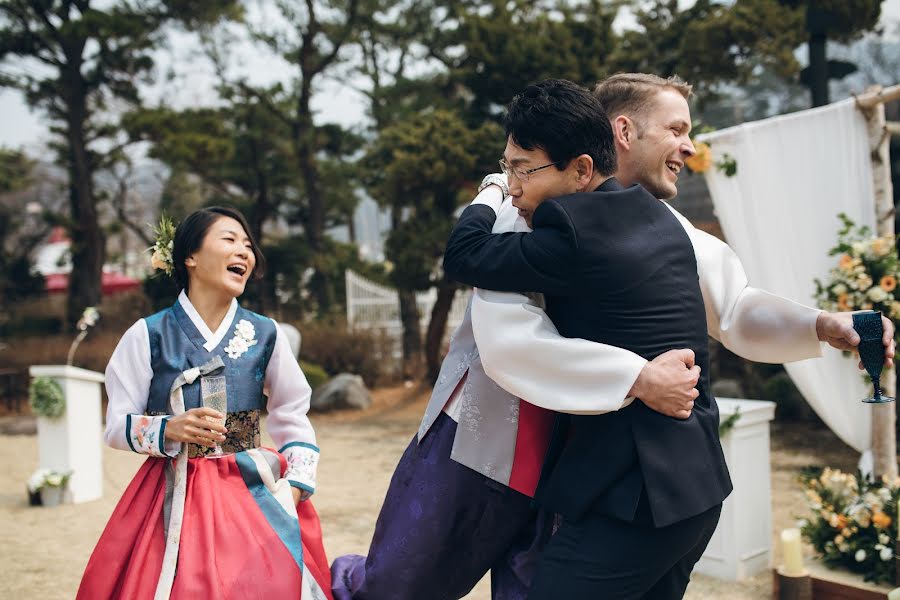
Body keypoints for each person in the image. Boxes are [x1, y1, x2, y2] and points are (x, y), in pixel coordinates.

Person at [442, 78, 893, 600]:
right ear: (623, 131)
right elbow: (516, 339)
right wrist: (638, 375)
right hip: (686, 485)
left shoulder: (570, 222)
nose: (690, 146)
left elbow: (736, 305)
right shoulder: (618, 218)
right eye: (676, 129)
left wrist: (820, 323)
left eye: (521, 169)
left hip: (632, 490)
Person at [77, 207, 332, 600]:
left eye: (248, 245)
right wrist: (168, 429)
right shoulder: (148, 334)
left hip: (250, 488)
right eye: (229, 240)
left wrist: (296, 485)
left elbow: (291, 411)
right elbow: (115, 424)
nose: (244, 252)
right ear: (190, 257)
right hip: (172, 488)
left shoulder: (265, 334)